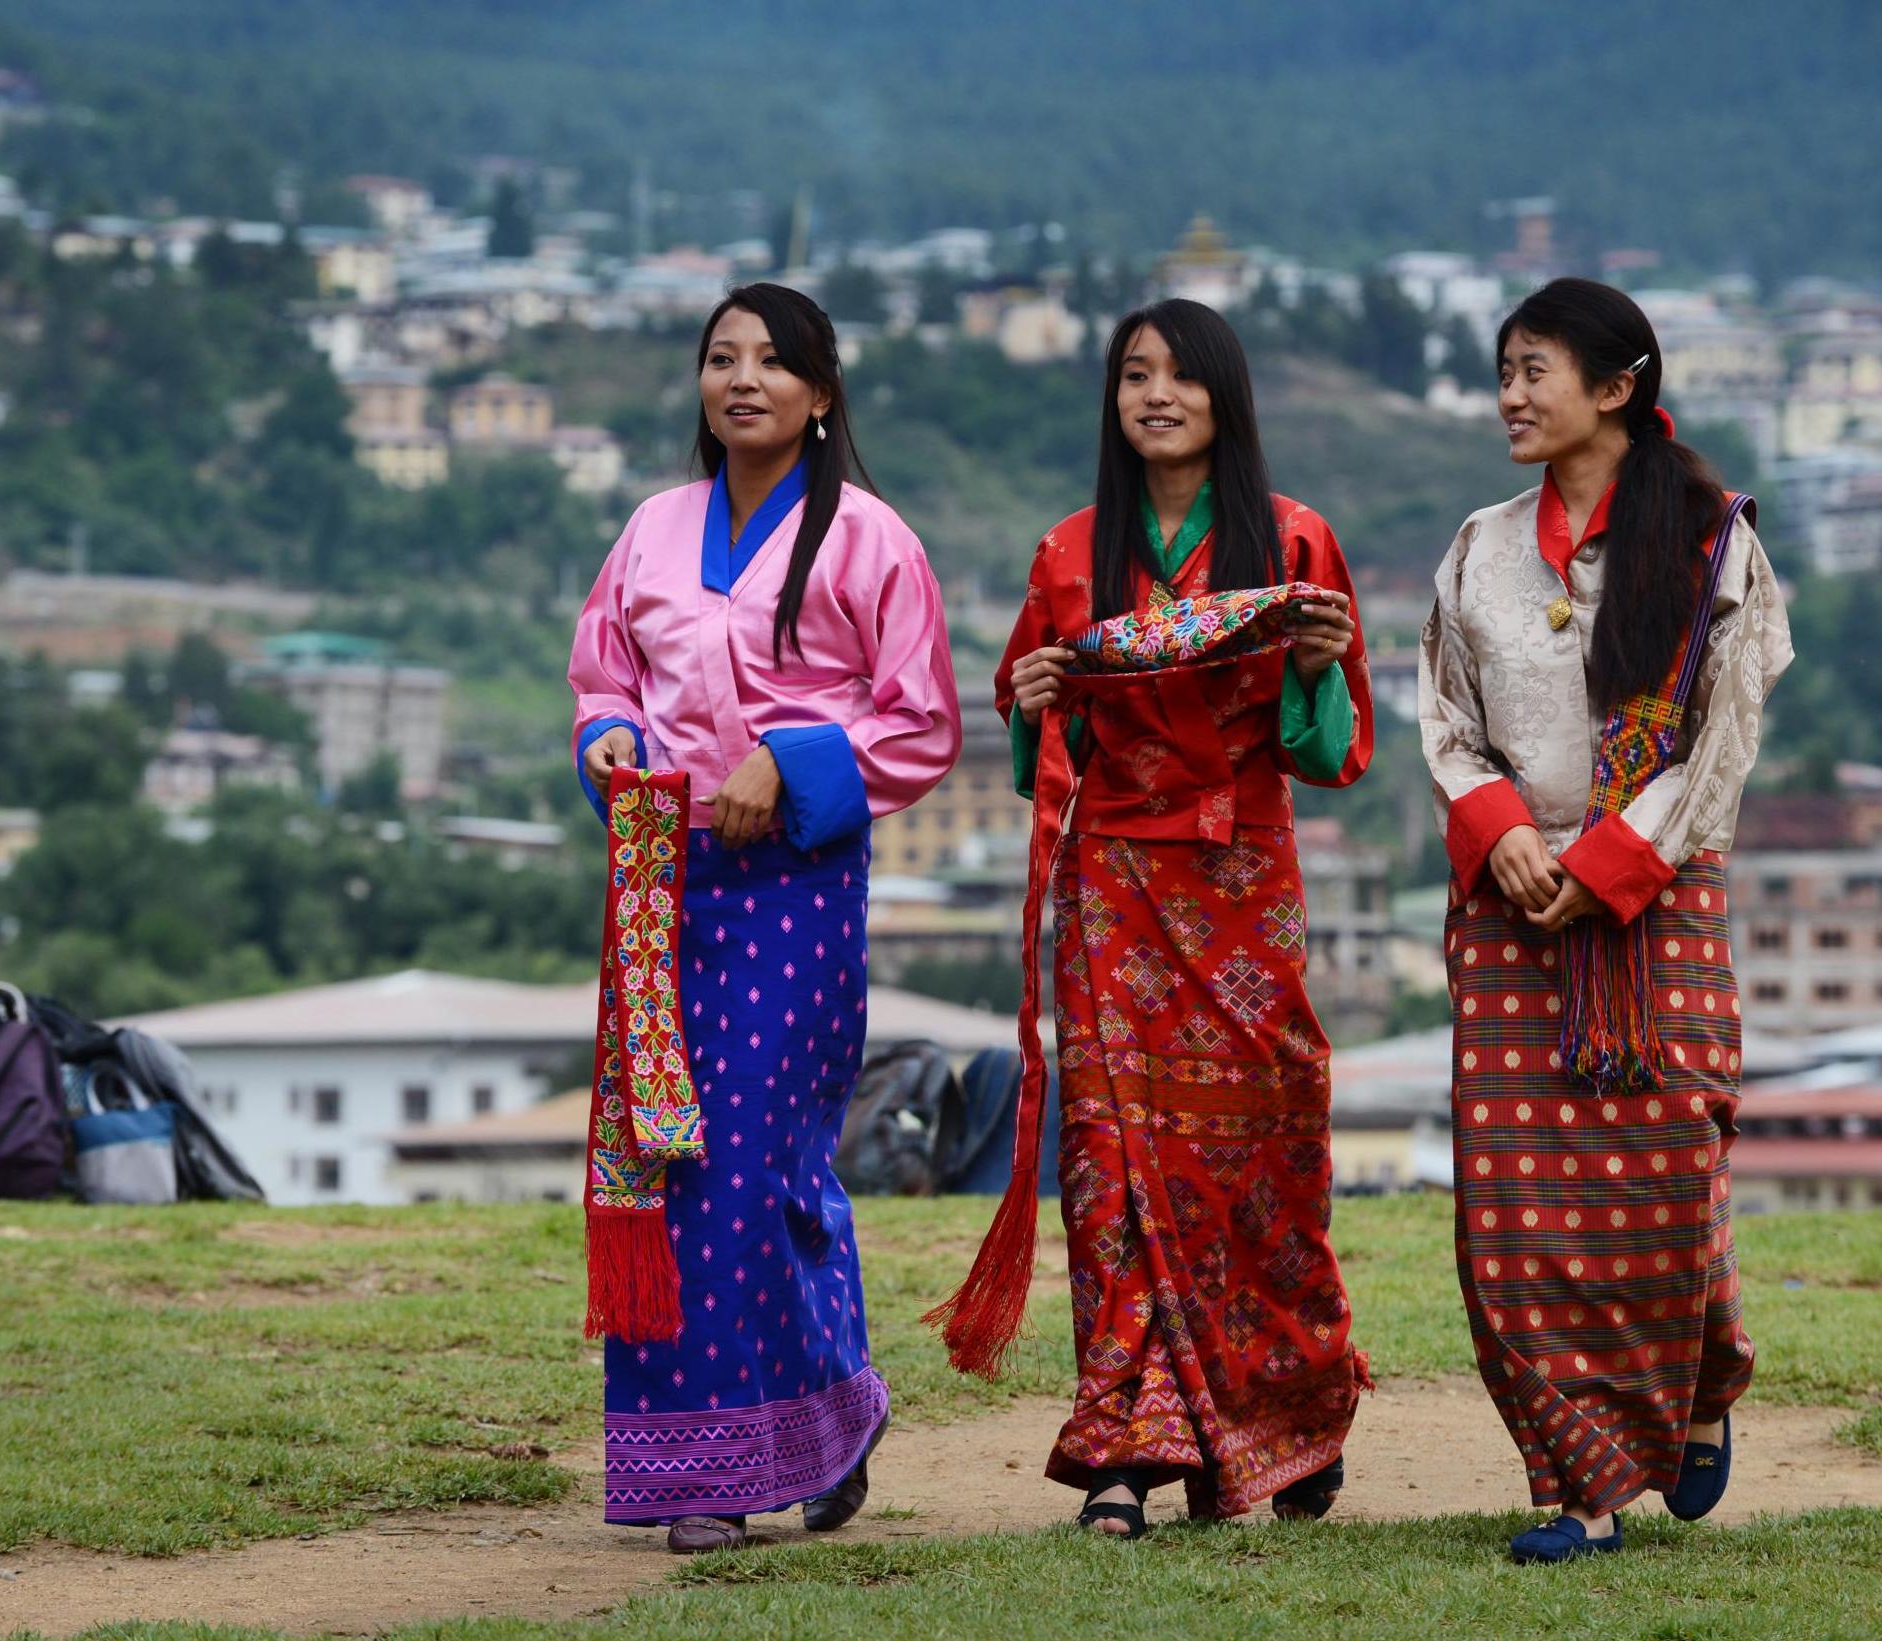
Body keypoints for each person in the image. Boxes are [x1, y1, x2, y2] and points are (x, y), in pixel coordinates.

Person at [946, 298, 1374, 1538]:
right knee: (1111, 1164)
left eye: (1183, 375)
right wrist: (1028, 697)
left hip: (1244, 883)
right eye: (1134, 373)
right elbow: (1045, 750)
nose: (1155, 394)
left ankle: (1287, 1418)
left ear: (1226, 399)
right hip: (1116, 886)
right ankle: (1126, 1443)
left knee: (1261, 1156)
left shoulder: (1298, 542)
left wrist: (1308, 668)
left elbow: (1330, 745)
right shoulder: (1070, 552)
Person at [567, 282, 960, 1554]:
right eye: (720, 359)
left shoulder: (870, 541)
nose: (743, 381)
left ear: (820, 393)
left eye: (772, 362)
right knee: (668, 1162)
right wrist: (615, 736)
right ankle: (734, 1452)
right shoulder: (652, 528)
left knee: (754, 1162)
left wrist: (789, 763)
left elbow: (920, 723)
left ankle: (767, 1445)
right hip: (655, 880)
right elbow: (600, 673)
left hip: (792, 884)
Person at [1419, 277, 1794, 1564]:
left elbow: (1723, 735)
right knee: (1516, 1212)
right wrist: (1503, 834)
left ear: (1616, 388)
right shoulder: (1478, 547)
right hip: (1515, 909)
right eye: (1504, 371)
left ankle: (1694, 1381)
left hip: (1654, 909)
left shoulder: (1710, 541)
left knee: (1667, 1175)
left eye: (1535, 371)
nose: (1510, 396)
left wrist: (1620, 857)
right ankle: (1574, 1478)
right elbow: (1446, 724)